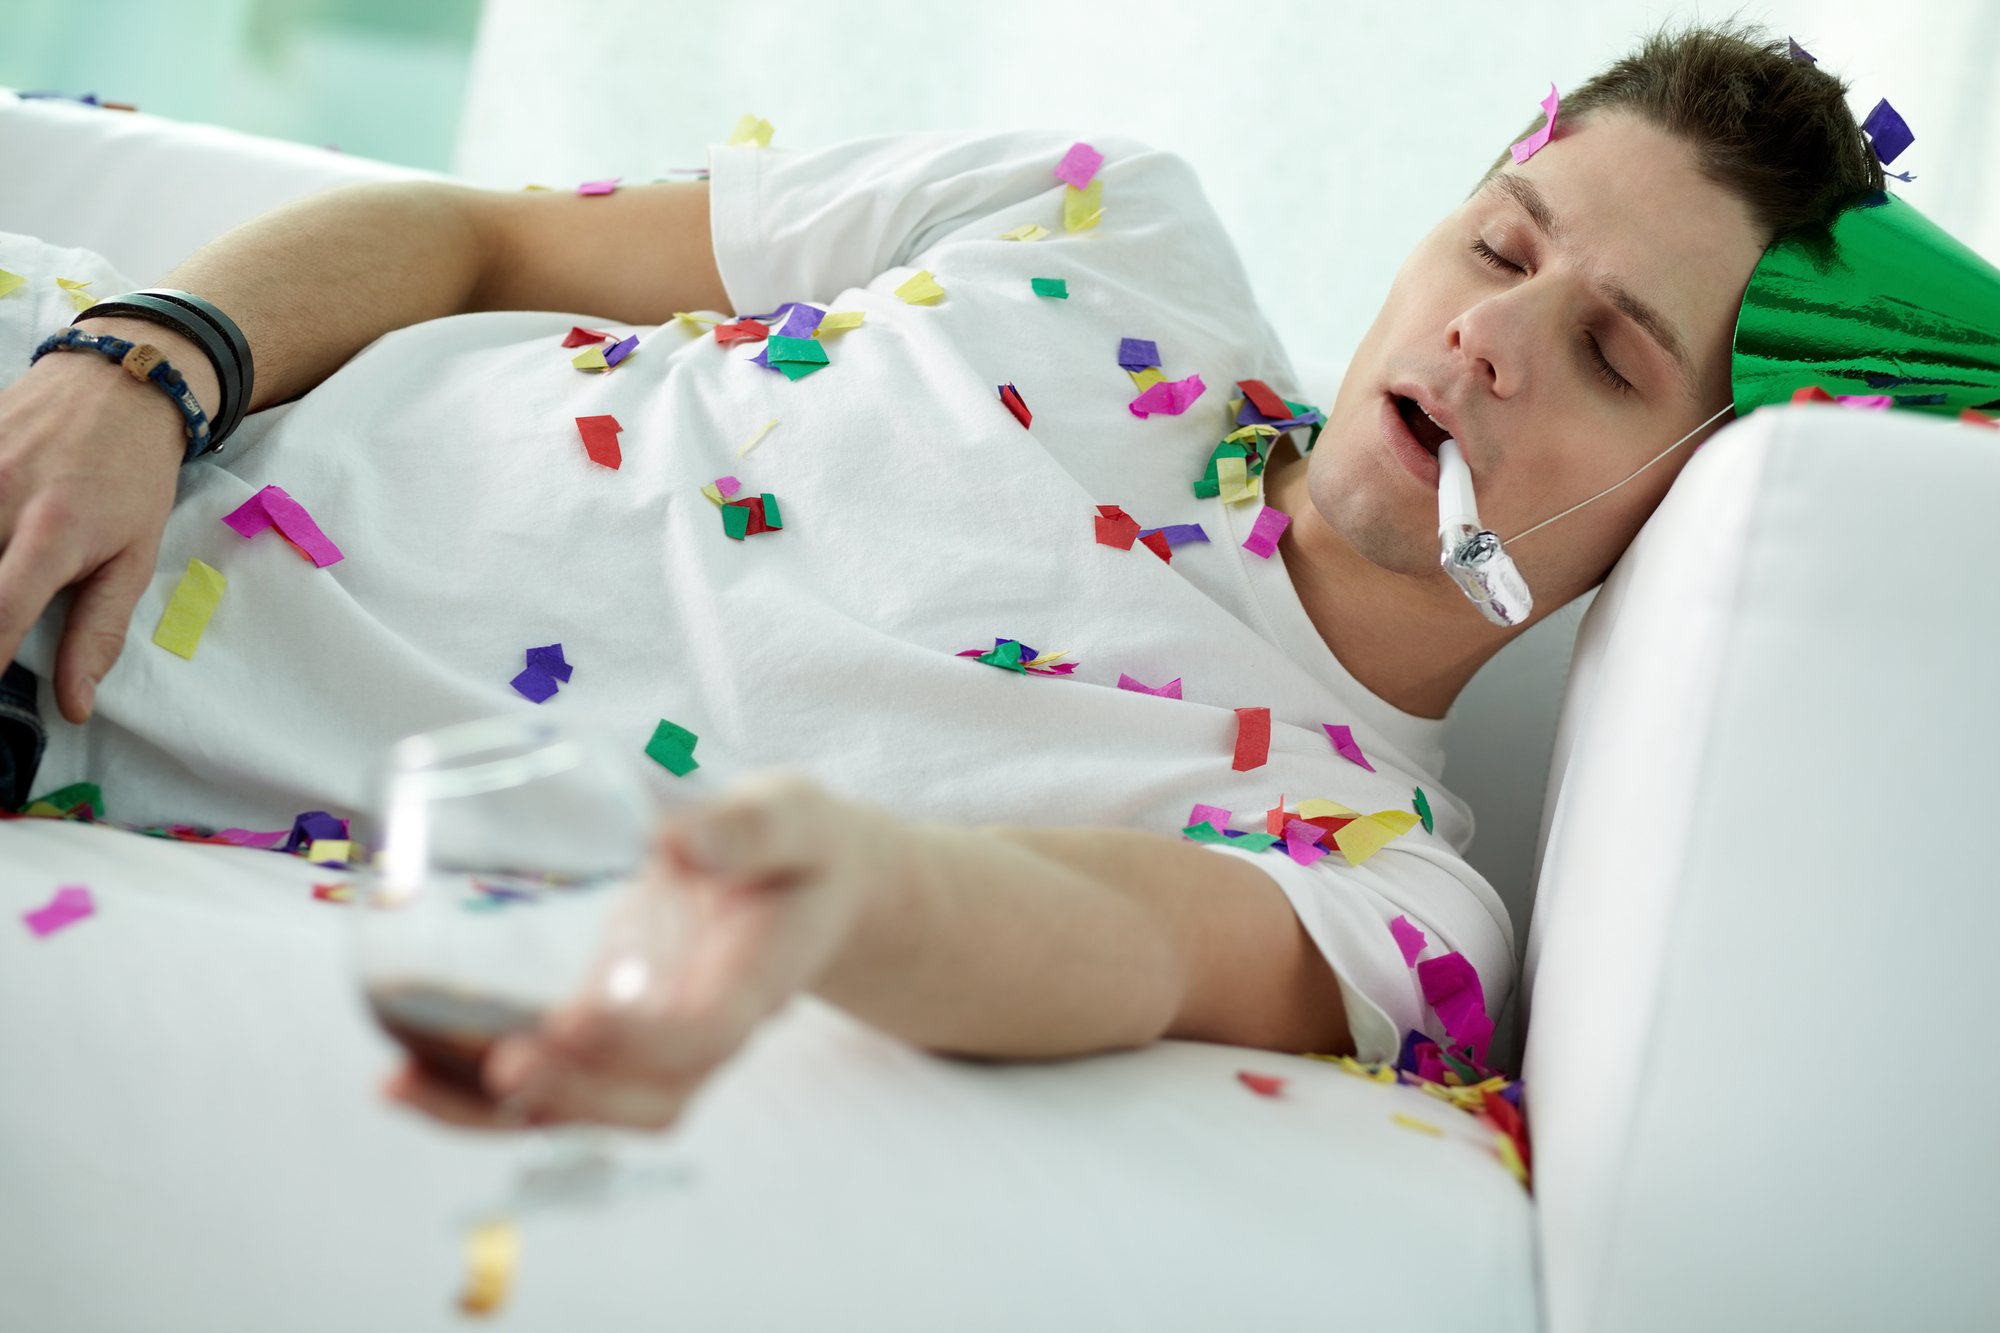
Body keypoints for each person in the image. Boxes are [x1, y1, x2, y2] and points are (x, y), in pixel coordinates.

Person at [0, 22, 1883, 1131]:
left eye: (1615, 355)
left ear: (1690, 492)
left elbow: (1099, 938)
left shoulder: (1389, 896)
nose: (1492, 337)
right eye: (1500, 242)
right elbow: (471, 230)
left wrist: (837, 892)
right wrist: (135, 369)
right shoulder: (1096, 220)